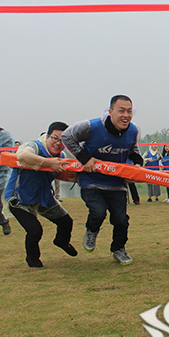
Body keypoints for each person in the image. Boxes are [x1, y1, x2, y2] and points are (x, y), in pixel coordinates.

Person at [61, 95, 143, 265]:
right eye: (121, 111)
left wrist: (137, 165)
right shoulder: (90, 126)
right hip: (91, 180)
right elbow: (66, 136)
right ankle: (91, 230)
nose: (126, 115)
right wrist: (85, 158)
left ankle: (119, 250)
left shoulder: (134, 130)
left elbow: (133, 149)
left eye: (129, 111)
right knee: (98, 212)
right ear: (111, 111)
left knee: (121, 220)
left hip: (116, 183)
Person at [5, 122, 78, 267]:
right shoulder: (34, 146)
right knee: (35, 230)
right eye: (55, 138)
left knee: (66, 222)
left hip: (43, 197)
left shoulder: (61, 155)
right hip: (19, 199)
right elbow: (22, 155)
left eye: (62, 140)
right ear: (48, 136)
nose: (58, 143)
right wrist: (48, 162)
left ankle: (61, 241)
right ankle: (32, 259)